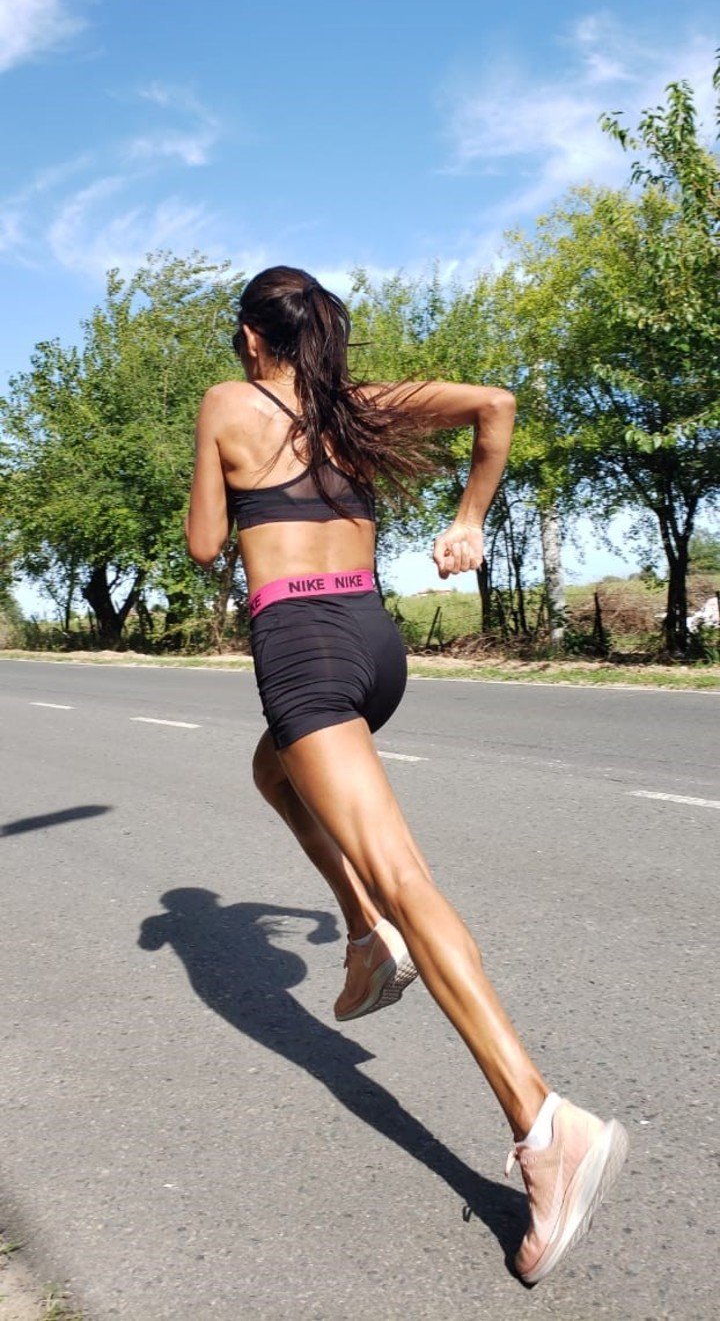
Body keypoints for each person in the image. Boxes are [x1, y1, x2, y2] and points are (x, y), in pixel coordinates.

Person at [185, 265, 628, 1285]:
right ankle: (363, 931)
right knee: (275, 771)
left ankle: (543, 1122)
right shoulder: (360, 405)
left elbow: (209, 545)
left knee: (407, 875)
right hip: (374, 643)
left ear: (254, 341)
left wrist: (231, 486)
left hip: (299, 640)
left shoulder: (228, 404)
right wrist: (469, 517)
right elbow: (496, 404)